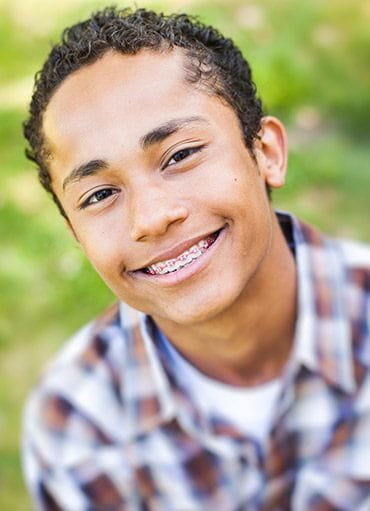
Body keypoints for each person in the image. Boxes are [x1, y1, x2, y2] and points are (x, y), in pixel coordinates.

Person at [22, 6, 370, 510]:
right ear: (76, 234)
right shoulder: (77, 423)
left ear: (266, 152)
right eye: (99, 195)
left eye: (180, 154)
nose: (150, 218)